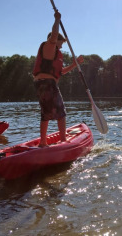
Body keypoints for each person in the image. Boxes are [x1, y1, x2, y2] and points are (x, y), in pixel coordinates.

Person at [33, 10, 84, 147]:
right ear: (55, 40)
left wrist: (75, 64)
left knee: (46, 112)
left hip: (41, 83)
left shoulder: (54, 54)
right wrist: (57, 19)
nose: (61, 46)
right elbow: (54, 35)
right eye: (61, 43)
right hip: (48, 84)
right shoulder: (50, 46)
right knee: (61, 111)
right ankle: (63, 141)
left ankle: (43, 142)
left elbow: (61, 72)